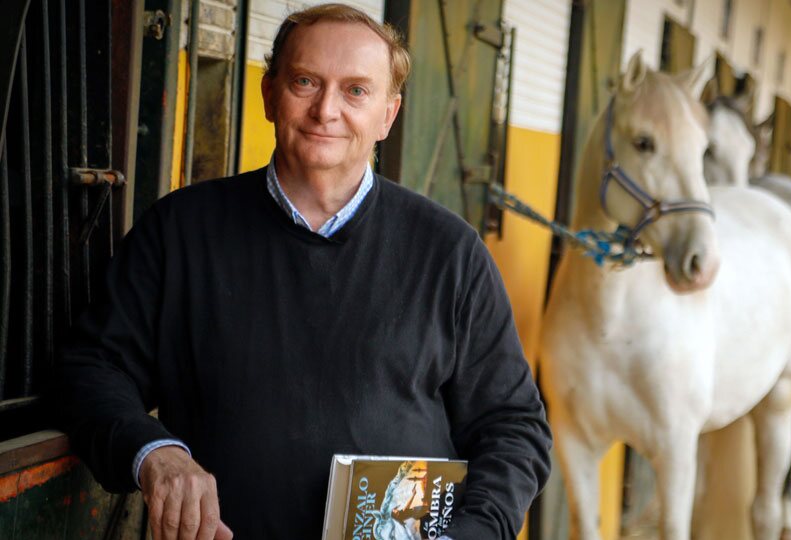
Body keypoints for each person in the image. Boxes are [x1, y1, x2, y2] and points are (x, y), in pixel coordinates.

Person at [52, 4, 551, 539]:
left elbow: (513, 428)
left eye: (356, 90)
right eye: (305, 81)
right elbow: (92, 367)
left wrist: (470, 534)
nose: (326, 110)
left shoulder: (452, 253)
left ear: (388, 114)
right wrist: (154, 452)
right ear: (269, 95)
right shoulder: (180, 230)